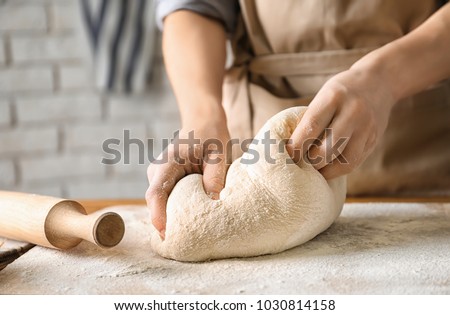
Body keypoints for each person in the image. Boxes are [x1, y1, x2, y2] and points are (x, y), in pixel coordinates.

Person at [147, 0, 450, 239]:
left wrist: (385, 78)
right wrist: (202, 114)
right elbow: (194, 8)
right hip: (255, 146)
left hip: (417, 138)